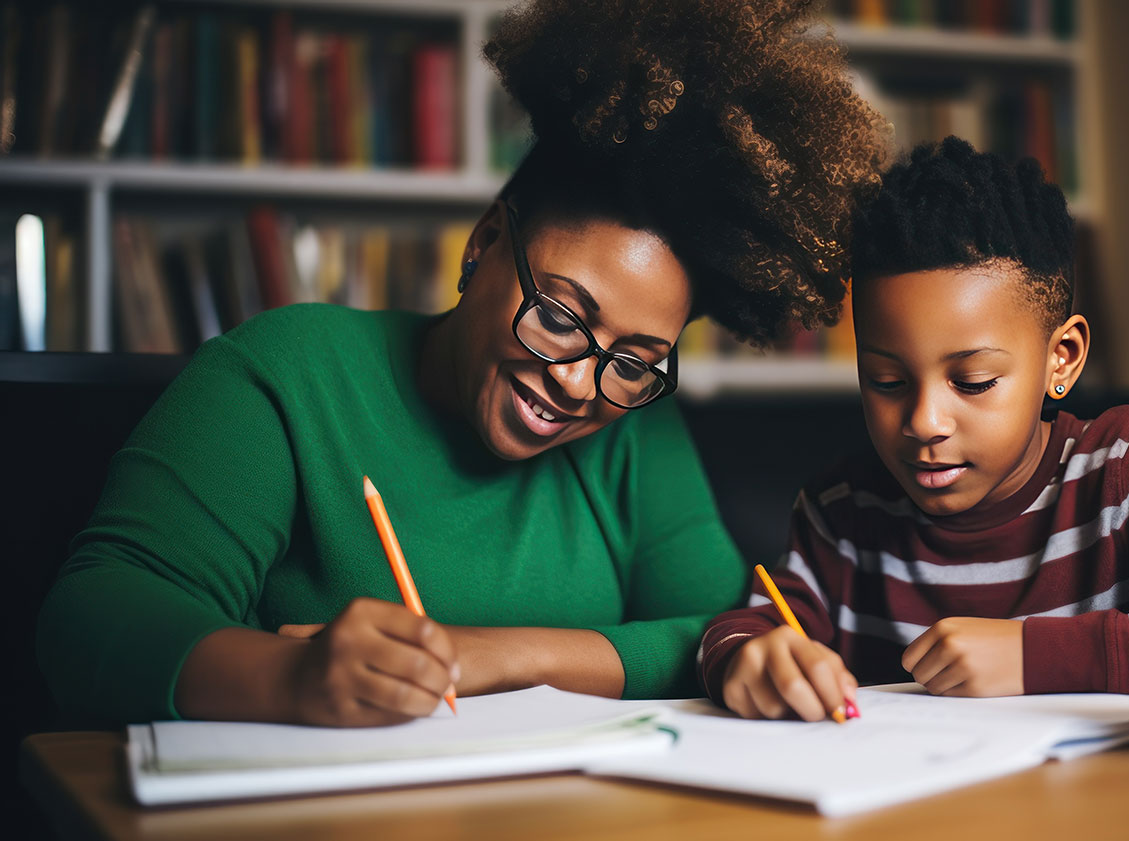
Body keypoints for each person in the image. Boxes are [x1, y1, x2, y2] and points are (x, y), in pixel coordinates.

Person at [36, 0, 887, 727]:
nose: (581, 383)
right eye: (559, 315)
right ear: (484, 245)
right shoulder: (290, 375)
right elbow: (89, 618)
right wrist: (286, 678)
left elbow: (716, 627)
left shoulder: (638, 425)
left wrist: (489, 656)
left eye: (636, 358)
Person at [700, 137, 1129, 722]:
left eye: (972, 381)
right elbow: (750, 630)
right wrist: (747, 657)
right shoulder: (840, 514)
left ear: (1061, 358)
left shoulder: (1126, 470)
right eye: (887, 381)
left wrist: (1033, 655)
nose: (923, 422)